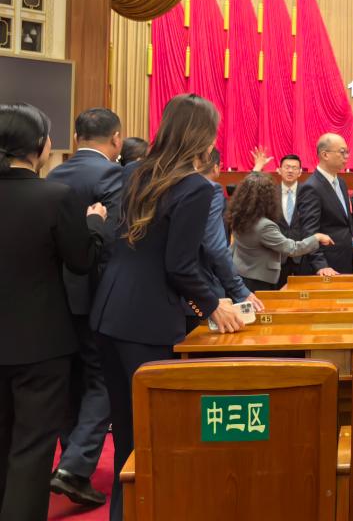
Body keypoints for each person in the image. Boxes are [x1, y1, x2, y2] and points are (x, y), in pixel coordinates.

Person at [91, 94, 244, 521]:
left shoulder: (135, 171)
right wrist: (214, 306)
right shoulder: (195, 187)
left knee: (127, 435)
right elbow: (180, 265)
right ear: (203, 135)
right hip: (149, 322)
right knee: (159, 435)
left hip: (109, 312)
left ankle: (124, 512)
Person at [0, 103, 108, 521]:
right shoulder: (54, 197)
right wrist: (94, 224)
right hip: (41, 343)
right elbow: (81, 261)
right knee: (32, 449)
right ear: (40, 145)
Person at [46, 108, 124, 508]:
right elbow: (112, 241)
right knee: (103, 379)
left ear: (76, 138)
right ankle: (74, 467)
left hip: (56, 295)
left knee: (71, 381)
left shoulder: (53, 175)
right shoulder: (113, 175)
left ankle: (71, 465)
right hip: (96, 293)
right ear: (116, 139)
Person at [229, 172, 333, 291]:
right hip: (260, 281)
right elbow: (292, 249)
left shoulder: (238, 217)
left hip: (241, 275)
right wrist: (317, 237)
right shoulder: (264, 226)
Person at [193, 148, 264, 323]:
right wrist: (239, 289)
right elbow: (215, 248)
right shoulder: (210, 190)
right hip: (204, 287)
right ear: (216, 167)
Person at [296, 133, 353, 276]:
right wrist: (321, 265)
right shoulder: (311, 187)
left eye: (347, 152)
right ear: (325, 155)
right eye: (342, 152)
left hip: (345, 260)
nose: (346, 156)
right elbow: (309, 232)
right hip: (327, 267)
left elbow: (348, 225)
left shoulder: (341, 183)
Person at [273, 153, 306, 286]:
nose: (290, 171)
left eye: (294, 168)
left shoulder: (308, 192)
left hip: (303, 255)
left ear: (300, 172)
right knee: (278, 294)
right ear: (279, 170)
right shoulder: (270, 193)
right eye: (287, 167)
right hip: (277, 255)